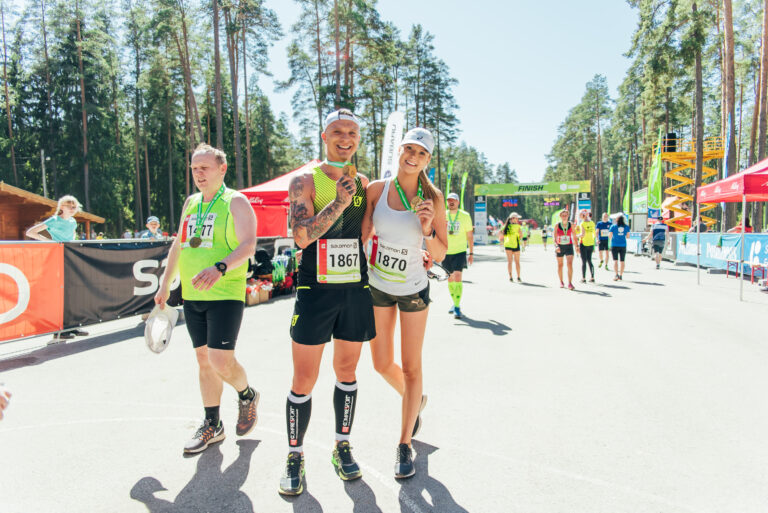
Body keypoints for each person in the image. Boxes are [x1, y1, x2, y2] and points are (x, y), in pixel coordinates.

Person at [278, 109, 374, 496]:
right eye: (338, 131)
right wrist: (336, 202)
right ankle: (294, 455)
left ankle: (342, 445)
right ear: (324, 136)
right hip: (314, 289)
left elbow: (367, 228)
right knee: (304, 378)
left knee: (347, 371)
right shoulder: (305, 181)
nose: (345, 138)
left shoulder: (364, 182)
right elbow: (301, 237)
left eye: (352, 132)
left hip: (354, 288)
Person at [155, 143, 260, 456]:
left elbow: (249, 245)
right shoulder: (191, 203)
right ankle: (212, 424)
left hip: (225, 293)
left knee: (220, 361)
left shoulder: (236, 202)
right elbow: (179, 244)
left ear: (222, 169)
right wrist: (165, 284)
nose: (198, 174)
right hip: (192, 294)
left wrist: (220, 267)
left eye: (205, 168)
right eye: (194, 168)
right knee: (203, 360)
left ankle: (246, 394)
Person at [361, 127, 447, 479]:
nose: (413, 156)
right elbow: (363, 235)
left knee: (412, 367)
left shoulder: (433, 197)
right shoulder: (376, 191)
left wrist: (427, 229)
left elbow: (441, 253)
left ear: (428, 160)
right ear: (399, 150)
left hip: (413, 288)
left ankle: (403, 445)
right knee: (381, 364)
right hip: (379, 285)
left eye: (422, 153)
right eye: (409, 148)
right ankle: (415, 400)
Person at [26, 196, 89, 339]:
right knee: (58, 294)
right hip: (55, 259)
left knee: (71, 293)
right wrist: (50, 242)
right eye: (69, 206)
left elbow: (71, 237)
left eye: (74, 206)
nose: (72, 209)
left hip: (69, 259)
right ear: (62, 207)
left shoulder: (73, 222)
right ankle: (58, 329)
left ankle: (72, 325)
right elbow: (30, 232)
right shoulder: (54, 220)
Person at [443, 192, 474, 318]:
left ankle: (457, 306)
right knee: (450, 278)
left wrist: (471, 253)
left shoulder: (465, 216)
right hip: (446, 252)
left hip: (460, 251)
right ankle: (454, 302)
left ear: (458, 202)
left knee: (457, 276)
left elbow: (470, 236)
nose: (451, 202)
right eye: (449, 200)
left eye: (453, 200)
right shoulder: (443, 215)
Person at [554, 209, 577, 289]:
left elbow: (574, 236)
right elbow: (555, 238)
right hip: (560, 246)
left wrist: (577, 246)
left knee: (569, 264)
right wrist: (556, 246)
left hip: (569, 246)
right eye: (563, 215)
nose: (564, 217)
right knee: (560, 265)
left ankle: (570, 283)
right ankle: (561, 281)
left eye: (566, 215)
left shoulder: (571, 224)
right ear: (560, 216)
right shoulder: (557, 225)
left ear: (568, 216)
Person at [499, 212, 522, 281]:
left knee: (509, 262)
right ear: (512, 219)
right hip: (516, 245)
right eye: (517, 218)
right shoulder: (518, 226)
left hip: (507, 245)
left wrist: (502, 243)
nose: (518, 219)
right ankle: (518, 277)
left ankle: (510, 277)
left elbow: (500, 236)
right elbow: (521, 236)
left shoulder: (505, 226)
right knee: (517, 262)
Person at [609, 215, 630, 280]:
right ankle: (621, 275)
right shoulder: (626, 227)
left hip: (614, 244)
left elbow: (610, 236)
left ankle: (616, 274)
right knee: (622, 261)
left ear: (617, 220)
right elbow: (628, 236)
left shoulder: (613, 226)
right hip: (623, 245)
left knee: (615, 260)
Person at [578, 211, 596, 283]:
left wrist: (576, 236)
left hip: (584, 243)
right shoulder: (592, 223)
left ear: (582, 216)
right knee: (590, 260)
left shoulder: (582, 223)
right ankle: (592, 277)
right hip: (591, 243)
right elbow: (594, 234)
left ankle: (583, 278)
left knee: (583, 261)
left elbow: (582, 234)